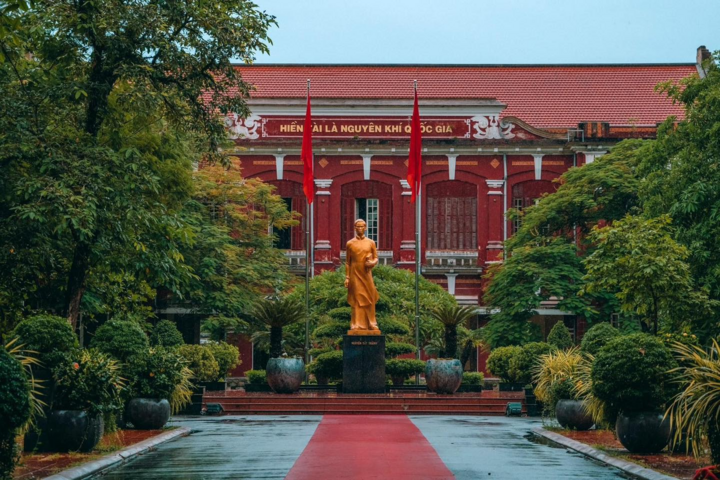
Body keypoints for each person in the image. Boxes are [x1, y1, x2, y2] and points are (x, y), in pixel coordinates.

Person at [344, 219, 381, 334]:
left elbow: (376, 258)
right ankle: (356, 324)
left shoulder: (371, 242)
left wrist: (372, 263)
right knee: (356, 298)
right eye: (357, 227)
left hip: (366, 273)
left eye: (361, 226)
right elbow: (347, 262)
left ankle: (372, 323)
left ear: (365, 228)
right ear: (355, 228)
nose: (359, 229)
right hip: (355, 272)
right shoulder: (350, 243)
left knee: (370, 297)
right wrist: (347, 277)